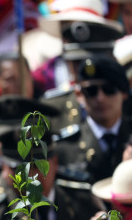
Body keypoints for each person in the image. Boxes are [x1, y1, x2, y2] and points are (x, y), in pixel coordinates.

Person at [56, 55, 130, 184]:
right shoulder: (64, 148)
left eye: (109, 89)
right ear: (79, 95)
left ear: (124, 92)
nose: (100, 98)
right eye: (91, 91)